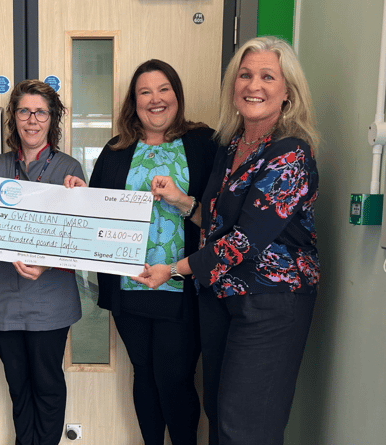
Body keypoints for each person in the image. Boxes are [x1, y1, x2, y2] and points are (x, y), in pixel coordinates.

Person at [133, 37, 320, 445]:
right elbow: (218, 221)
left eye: (268, 76)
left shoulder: (290, 155)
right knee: (218, 415)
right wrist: (183, 203)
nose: (254, 85)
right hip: (220, 299)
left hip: (270, 303)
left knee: (244, 427)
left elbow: (243, 241)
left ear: (287, 92)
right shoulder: (232, 145)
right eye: (245, 75)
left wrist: (174, 270)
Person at [78, 59, 217, 445]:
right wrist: (76, 195)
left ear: (177, 95)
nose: (155, 99)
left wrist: (181, 199)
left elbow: (220, 223)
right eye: (144, 92)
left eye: (163, 89)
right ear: (133, 102)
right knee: (144, 372)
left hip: (181, 283)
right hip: (129, 285)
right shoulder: (117, 149)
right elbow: (94, 214)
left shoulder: (205, 144)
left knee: (174, 377)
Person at [0, 79, 84, 445]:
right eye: (24, 111)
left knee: (47, 384)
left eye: (40, 112)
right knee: (18, 385)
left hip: (49, 297)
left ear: (52, 119)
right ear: (13, 118)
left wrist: (78, 201)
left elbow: (78, 234)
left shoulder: (69, 168)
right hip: (2, 296)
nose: (31, 120)